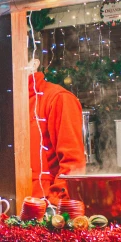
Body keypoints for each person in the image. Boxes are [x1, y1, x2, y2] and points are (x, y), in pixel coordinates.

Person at [28, 70, 86, 205]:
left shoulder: (58, 98)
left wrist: (56, 203)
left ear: (34, 63)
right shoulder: (9, 102)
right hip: (13, 201)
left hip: (44, 206)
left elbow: (73, 162)